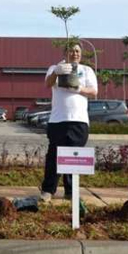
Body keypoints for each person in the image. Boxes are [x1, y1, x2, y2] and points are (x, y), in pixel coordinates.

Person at [40, 42, 98, 202]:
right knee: (54, 156)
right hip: (58, 120)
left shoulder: (86, 70)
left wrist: (79, 89)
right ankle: (48, 190)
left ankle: (71, 191)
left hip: (79, 121)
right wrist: (57, 73)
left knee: (74, 157)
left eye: (78, 51)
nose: (75, 53)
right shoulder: (55, 68)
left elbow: (93, 92)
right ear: (65, 53)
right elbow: (48, 84)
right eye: (71, 51)